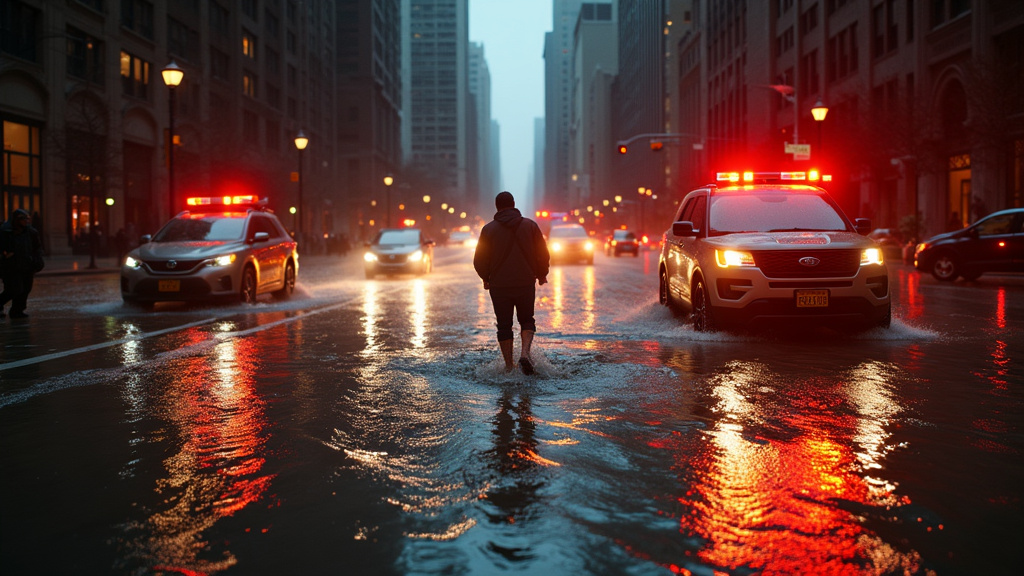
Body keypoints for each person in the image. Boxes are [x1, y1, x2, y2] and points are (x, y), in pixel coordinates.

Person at [474, 191, 550, 374]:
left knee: (504, 325)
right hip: (525, 282)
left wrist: (486, 278)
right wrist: (541, 274)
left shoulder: (488, 230)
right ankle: (525, 353)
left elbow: (479, 259)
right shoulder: (530, 226)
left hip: (499, 286)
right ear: (514, 204)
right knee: (526, 319)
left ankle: (509, 367)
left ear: (497, 207)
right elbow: (543, 253)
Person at [1, 209, 45, 319]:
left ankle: (17, 311)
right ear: (17, 220)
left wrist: (37, 260)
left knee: (25, 288)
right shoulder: (6, 232)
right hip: (11, 266)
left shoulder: (31, 232)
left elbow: (37, 247)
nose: (26, 221)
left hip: (27, 265)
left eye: (27, 219)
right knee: (14, 289)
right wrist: (4, 254)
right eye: (23, 219)